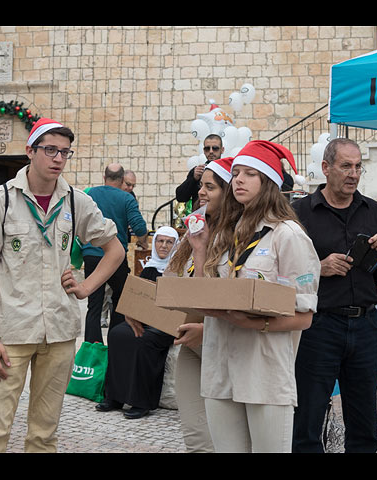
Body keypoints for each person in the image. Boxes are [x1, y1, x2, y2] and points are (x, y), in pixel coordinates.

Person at [0, 118, 124, 453]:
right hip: (11, 332)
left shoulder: (75, 201)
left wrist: (86, 287)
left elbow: (115, 249)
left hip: (59, 331)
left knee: (44, 434)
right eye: (50, 150)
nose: (58, 158)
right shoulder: (0, 200)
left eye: (65, 152)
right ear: (30, 151)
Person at [187, 140, 321, 453]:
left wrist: (250, 322)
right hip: (220, 368)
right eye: (235, 173)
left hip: (264, 374)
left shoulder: (288, 236)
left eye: (250, 174)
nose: (239, 180)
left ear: (269, 183)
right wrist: (200, 248)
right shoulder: (226, 233)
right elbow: (205, 295)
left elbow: (304, 316)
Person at [291, 137, 377, 453]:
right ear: (326, 168)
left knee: (365, 427)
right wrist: (317, 267)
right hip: (318, 327)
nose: (353, 174)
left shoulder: (374, 211)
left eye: (358, 167)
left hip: (365, 327)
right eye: (345, 166)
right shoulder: (300, 213)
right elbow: (279, 273)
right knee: (307, 423)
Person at [165, 156, 234, 452]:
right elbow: (172, 281)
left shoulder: (238, 236)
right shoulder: (194, 232)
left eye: (210, 187)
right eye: (200, 186)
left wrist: (203, 250)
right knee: (195, 434)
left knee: (227, 434)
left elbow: (229, 296)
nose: (201, 192)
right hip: (191, 346)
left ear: (228, 193)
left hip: (222, 344)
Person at [96, 226, 180, 420]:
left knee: (145, 340)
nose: (164, 246)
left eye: (169, 242)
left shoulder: (178, 270)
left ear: (176, 245)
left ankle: (142, 402)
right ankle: (114, 396)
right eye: (160, 241)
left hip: (166, 324)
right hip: (146, 319)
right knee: (118, 334)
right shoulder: (150, 267)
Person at [81, 163, 148, 344]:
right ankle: (116, 342)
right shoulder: (126, 198)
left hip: (91, 255)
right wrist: (143, 241)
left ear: (104, 178)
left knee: (93, 305)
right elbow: (139, 227)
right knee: (120, 300)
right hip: (116, 257)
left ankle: (92, 350)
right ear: (121, 180)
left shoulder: (90, 195)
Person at [175, 134, 224, 210]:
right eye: (207, 148)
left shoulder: (227, 170)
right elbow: (181, 197)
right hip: (200, 218)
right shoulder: (197, 171)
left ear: (222, 150)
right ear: (204, 151)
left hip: (223, 216)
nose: (211, 151)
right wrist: (193, 179)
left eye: (215, 148)